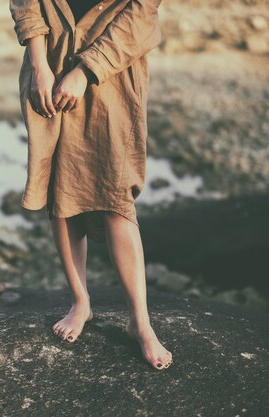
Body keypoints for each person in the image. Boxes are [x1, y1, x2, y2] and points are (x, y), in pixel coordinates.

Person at [9, 0, 172, 370]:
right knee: (60, 191)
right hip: (48, 68)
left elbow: (143, 12)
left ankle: (140, 323)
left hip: (112, 76)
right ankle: (80, 301)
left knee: (116, 197)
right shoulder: (42, 69)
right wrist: (39, 66)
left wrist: (86, 70)